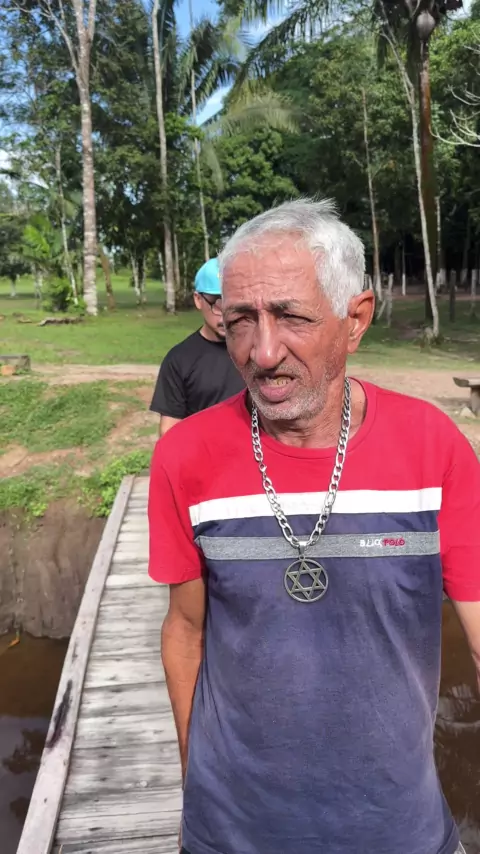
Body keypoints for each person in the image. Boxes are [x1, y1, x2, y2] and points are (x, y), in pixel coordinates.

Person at [148, 199, 480, 854]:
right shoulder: (184, 456)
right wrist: (195, 783)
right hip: (232, 832)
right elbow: (185, 630)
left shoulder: (432, 447)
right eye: (241, 321)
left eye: (292, 317)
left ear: (355, 320)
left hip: (397, 828)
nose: (263, 352)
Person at [150, 257, 244, 436]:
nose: (226, 315)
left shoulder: (260, 350)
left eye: (233, 304)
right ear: (198, 299)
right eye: (216, 303)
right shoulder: (179, 360)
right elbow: (170, 430)